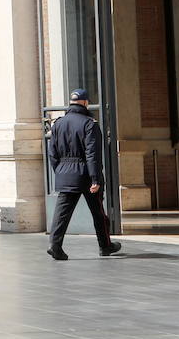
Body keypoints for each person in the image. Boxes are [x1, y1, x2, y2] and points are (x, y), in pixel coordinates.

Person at [46, 88, 123, 261]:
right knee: (98, 213)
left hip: (65, 172)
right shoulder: (89, 124)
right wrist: (95, 178)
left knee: (61, 214)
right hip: (87, 175)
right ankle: (105, 246)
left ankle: (54, 245)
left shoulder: (58, 124)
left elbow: (53, 153)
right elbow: (92, 155)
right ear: (85, 103)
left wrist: (60, 170)